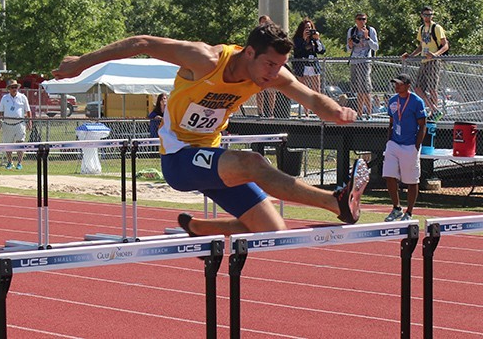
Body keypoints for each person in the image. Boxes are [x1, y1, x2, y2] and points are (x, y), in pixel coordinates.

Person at [51, 23, 365, 236]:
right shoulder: (204, 59)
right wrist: (82, 62)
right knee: (253, 163)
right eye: (270, 65)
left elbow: (309, 96)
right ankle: (334, 201)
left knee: (273, 231)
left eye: (279, 65)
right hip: (179, 158)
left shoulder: (271, 73)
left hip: (211, 158)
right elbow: (141, 43)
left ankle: (202, 228)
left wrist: (335, 111)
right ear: (250, 52)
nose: (274, 74)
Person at [382, 74, 427, 222]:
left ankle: (409, 212)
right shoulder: (392, 100)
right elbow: (391, 121)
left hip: (410, 145)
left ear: (408, 85)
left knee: (411, 180)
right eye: (395, 84)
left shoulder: (416, 101)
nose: (397, 86)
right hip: (394, 143)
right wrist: (389, 141)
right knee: (389, 175)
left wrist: (416, 146)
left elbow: (422, 125)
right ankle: (396, 208)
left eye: (400, 84)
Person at [402, 6, 448, 121]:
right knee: (418, 88)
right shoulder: (422, 28)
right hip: (424, 61)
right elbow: (421, 45)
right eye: (426, 14)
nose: (428, 17)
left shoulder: (436, 28)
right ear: (422, 15)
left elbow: (445, 45)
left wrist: (436, 54)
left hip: (433, 61)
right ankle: (434, 109)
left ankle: (435, 112)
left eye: (430, 14)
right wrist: (411, 55)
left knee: (432, 88)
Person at [346, 12, 379, 119]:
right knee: (357, 88)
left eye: (364, 19)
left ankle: (366, 114)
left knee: (364, 88)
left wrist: (367, 37)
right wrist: (350, 44)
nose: (362, 21)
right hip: (354, 61)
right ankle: (360, 112)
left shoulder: (371, 30)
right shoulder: (351, 31)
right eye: (359, 19)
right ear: (356, 20)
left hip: (365, 61)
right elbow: (348, 49)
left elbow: (376, 47)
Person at [0, 80, 32, 170]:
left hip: (19, 124)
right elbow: (0, 111)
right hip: (7, 124)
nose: (14, 89)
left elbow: (28, 111)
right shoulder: (4, 98)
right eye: (12, 87)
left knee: (20, 143)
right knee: (8, 144)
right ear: (9, 89)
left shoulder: (23, 97)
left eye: (15, 87)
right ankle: (10, 162)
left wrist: (29, 122)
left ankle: (19, 163)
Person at [292, 18, 326, 96]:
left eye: (309, 27)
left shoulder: (313, 39)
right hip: (302, 66)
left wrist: (317, 40)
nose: (308, 30)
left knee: (316, 90)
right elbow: (297, 51)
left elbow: (322, 51)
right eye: (306, 28)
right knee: (304, 91)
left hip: (313, 65)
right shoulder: (297, 39)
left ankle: (316, 108)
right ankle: (305, 108)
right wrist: (304, 39)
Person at [255, 15, 278, 117]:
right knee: (259, 89)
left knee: (271, 90)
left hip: (270, 64)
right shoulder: (256, 35)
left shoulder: (273, 34)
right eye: (262, 22)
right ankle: (260, 112)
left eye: (266, 22)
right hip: (260, 64)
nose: (264, 24)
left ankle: (271, 112)